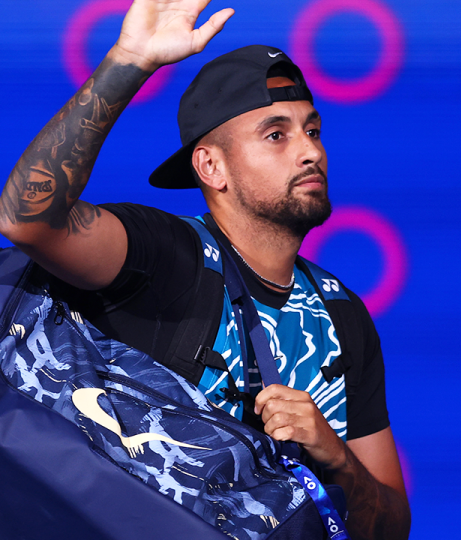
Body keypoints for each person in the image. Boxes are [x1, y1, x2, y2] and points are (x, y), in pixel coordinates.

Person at [0, 1, 410, 538]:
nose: (310, 151)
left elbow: (392, 527)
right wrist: (129, 61)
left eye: (313, 129)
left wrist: (335, 456)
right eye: (276, 134)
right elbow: (26, 219)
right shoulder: (164, 253)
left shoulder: (342, 314)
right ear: (210, 166)